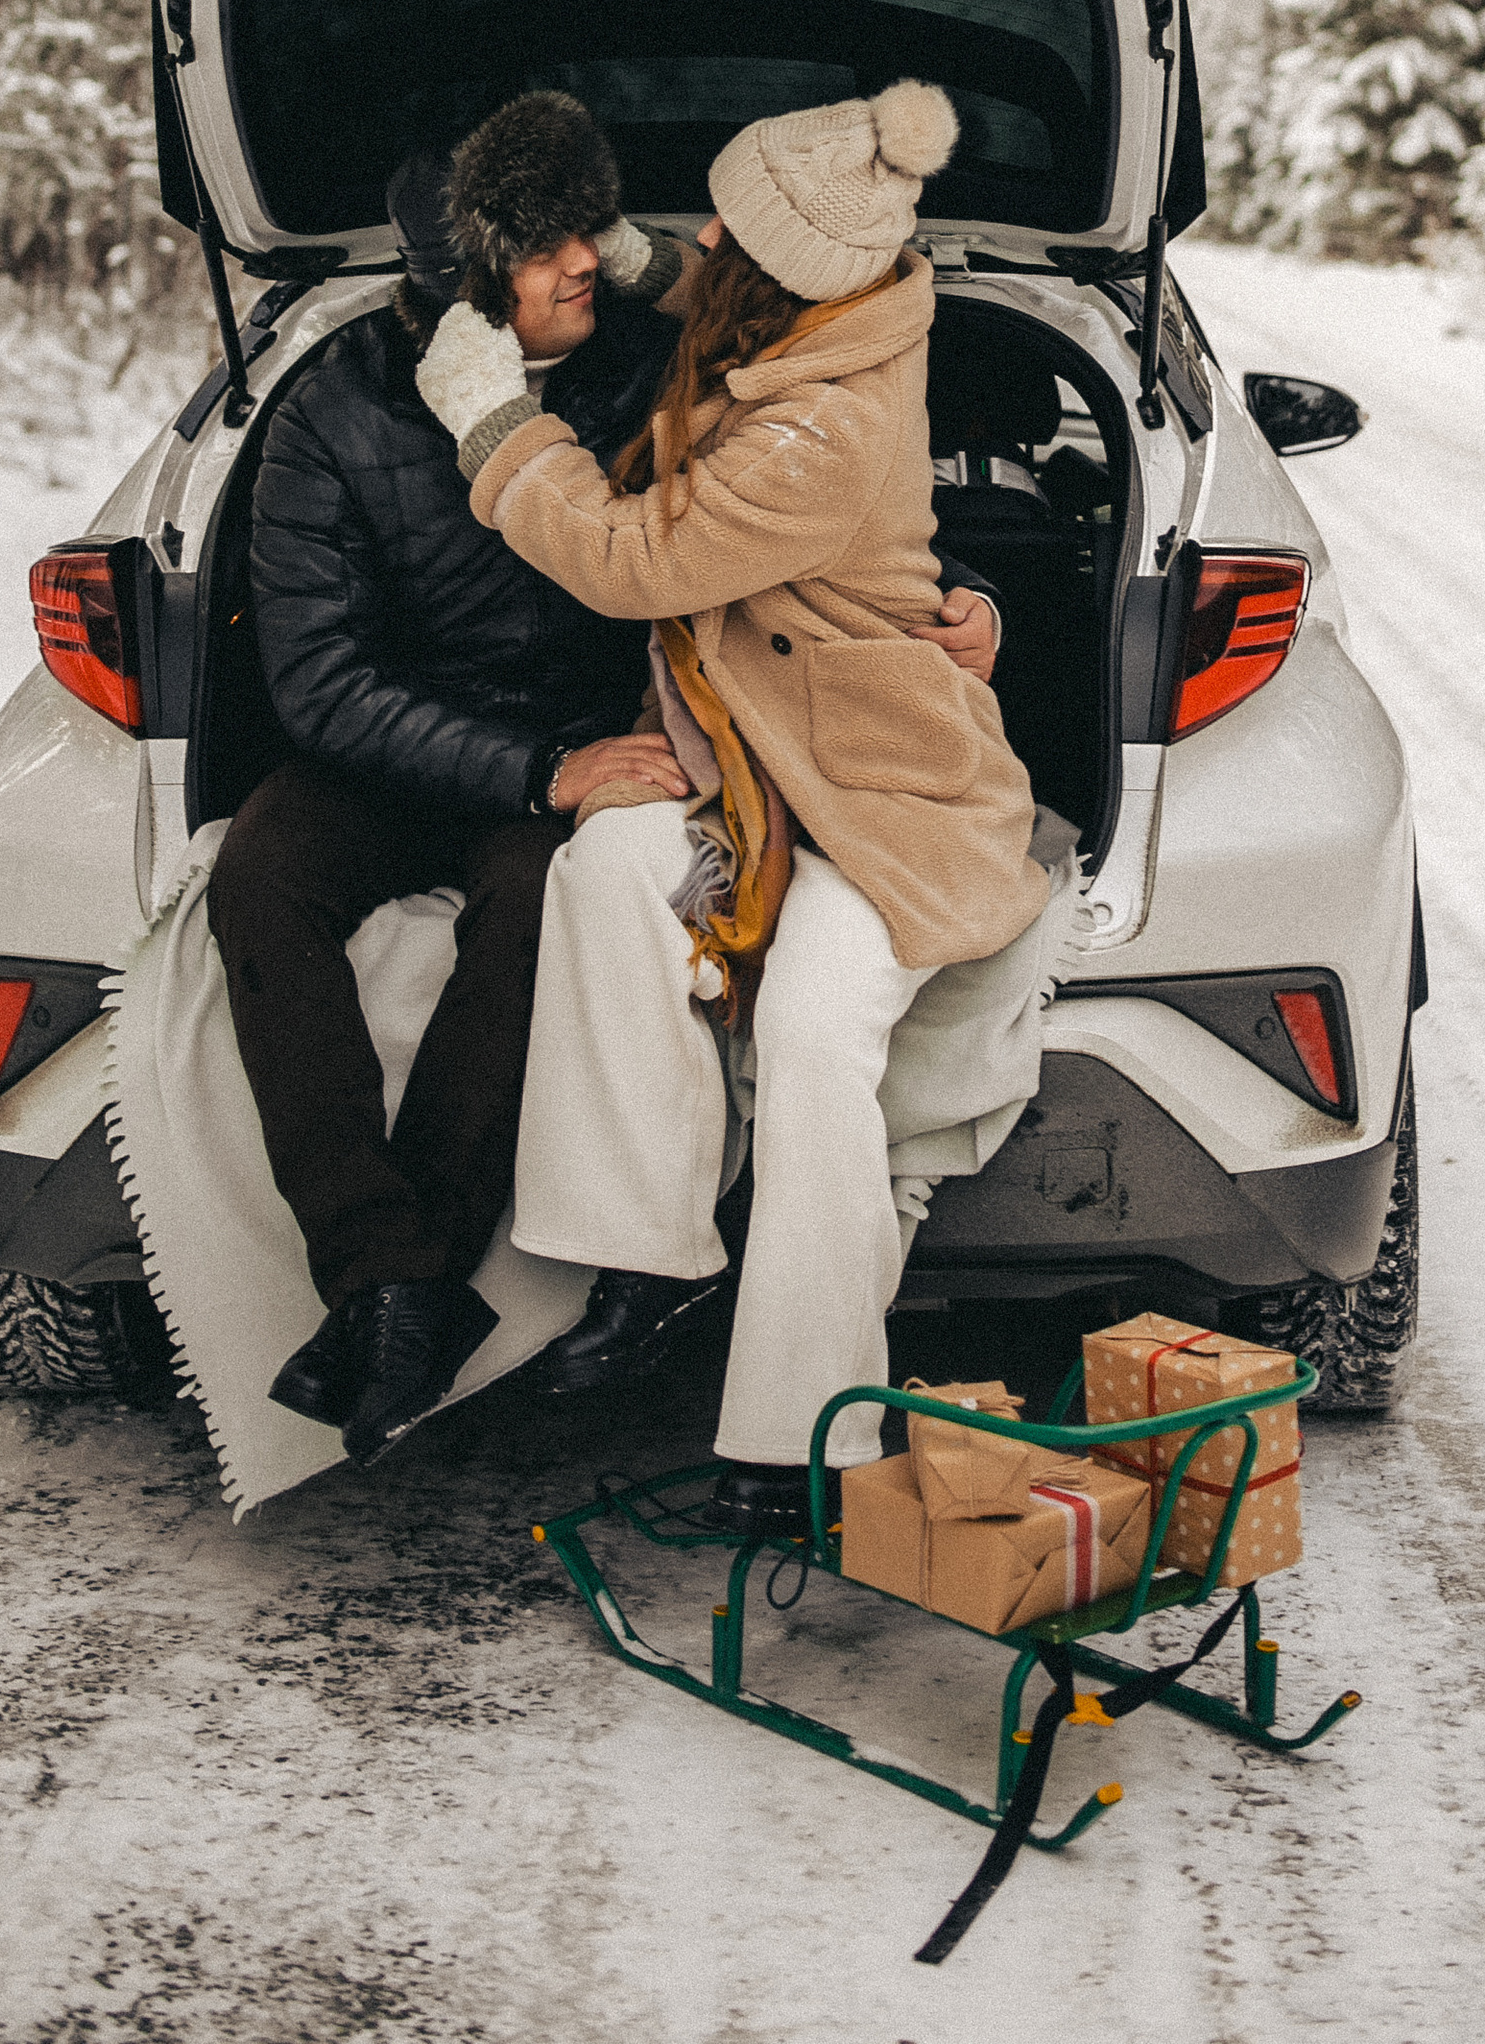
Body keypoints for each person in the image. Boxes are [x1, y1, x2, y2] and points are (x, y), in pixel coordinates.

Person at [211, 89, 1001, 1470]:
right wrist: (531, 767)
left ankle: (526, 1289)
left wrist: (963, 595)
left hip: (641, 739)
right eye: (549, 240)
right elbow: (319, 686)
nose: (598, 256)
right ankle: (393, 1283)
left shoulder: (657, 367)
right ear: (460, 288)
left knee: (568, 894)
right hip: (429, 741)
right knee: (259, 872)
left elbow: (734, 541)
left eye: (595, 226)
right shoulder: (328, 412)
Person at [416, 79, 1049, 1534]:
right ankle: (647, 1259)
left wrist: (491, 422)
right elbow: (726, 288)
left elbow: (632, 557)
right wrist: (636, 260)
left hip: (878, 795)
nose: (705, 232)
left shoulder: (815, 433)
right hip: (751, 760)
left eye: (729, 229)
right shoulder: (838, 299)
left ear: (791, 267)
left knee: (821, 1035)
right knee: (610, 865)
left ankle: (798, 1450)